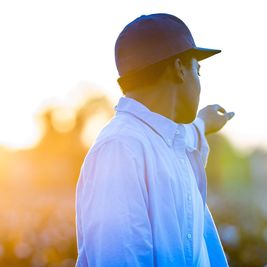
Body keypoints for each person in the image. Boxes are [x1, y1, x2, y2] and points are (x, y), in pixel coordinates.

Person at [75, 13, 234, 267]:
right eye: (198, 69)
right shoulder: (119, 150)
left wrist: (203, 124)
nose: (199, 83)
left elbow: (183, 135)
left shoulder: (165, 140)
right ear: (180, 69)